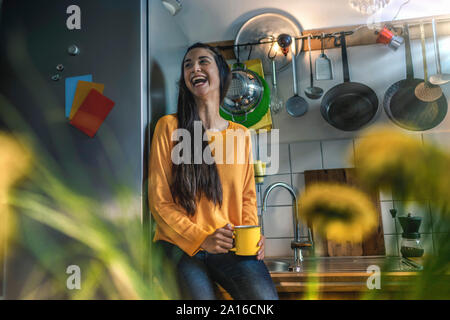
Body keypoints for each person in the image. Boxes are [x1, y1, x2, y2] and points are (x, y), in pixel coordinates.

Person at [148, 42, 278, 300]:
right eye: (188, 65)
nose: (194, 68)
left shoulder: (240, 135)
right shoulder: (169, 127)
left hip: (227, 245)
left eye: (202, 61)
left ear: (221, 73)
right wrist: (202, 239)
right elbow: (159, 201)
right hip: (178, 247)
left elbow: (247, 196)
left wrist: (251, 235)